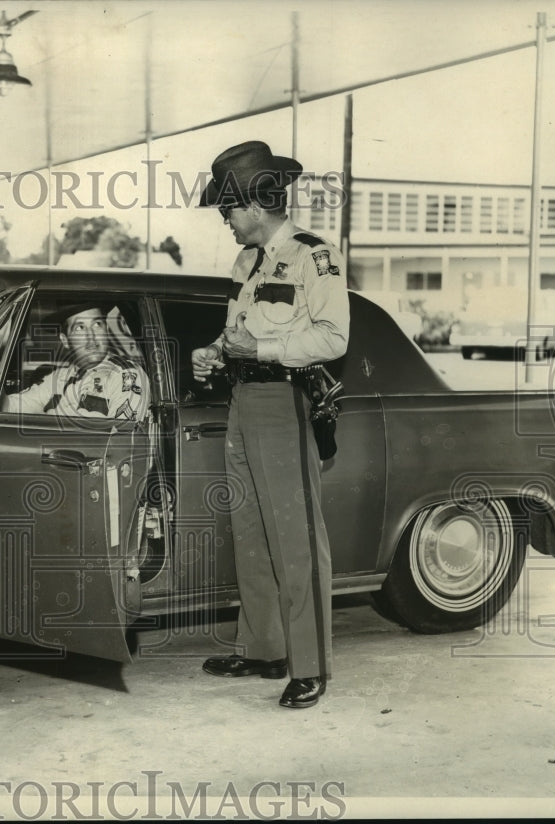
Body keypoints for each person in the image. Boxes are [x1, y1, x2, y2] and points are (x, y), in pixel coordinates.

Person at [192, 140, 349, 709]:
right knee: (251, 533)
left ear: (255, 206)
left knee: (297, 541)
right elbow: (241, 331)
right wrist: (215, 352)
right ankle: (262, 649)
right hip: (243, 402)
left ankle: (310, 666)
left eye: (227, 210)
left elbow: (333, 338)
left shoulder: (314, 257)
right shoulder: (246, 263)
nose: (225, 221)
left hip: (286, 405)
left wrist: (262, 346)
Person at [2, 302, 149, 420]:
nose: (91, 337)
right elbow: (11, 407)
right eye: (80, 328)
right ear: (65, 341)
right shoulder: (58, 378)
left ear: (107, 330)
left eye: (97, 325)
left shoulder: (126, 375)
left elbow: (122, 440)